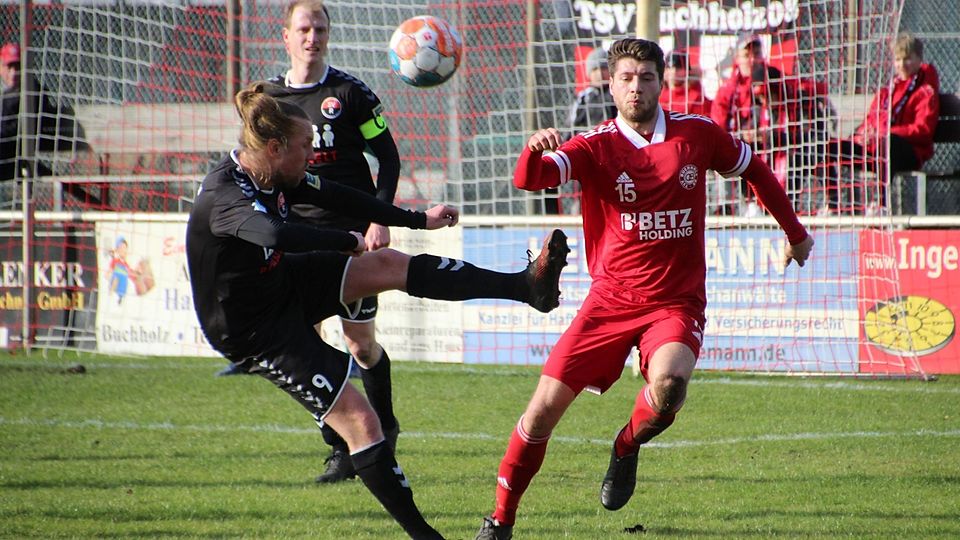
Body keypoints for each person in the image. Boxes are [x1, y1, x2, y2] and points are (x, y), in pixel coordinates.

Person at [187, 82, 568, 540]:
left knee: (384, 262)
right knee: (361, 422)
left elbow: (342, 198)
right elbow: (273, 234)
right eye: (307, 146)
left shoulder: (278, 171)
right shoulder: (224, 194)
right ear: (274, 148)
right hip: (253, 330)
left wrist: (414, 219)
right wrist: (343, 241)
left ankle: (526, 288)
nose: (313, 154)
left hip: (282, 283)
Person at [473, 38, 813, 540]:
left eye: (647, 77)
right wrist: (531, 148)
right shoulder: (594, 145)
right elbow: (532, 179)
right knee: (541, 411)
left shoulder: (697, 135)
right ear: (610, 84)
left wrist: (795, 231)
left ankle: (626, 446)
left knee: (671, 385)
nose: (637, 87)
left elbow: (754, 170)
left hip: (675, 301)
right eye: (627, 78)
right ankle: (500, 520)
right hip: (609, 303)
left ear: (662, 81)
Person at [219, 0, 401, 486]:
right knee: (304, 342)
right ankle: (341, 447)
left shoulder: (351, 94)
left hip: (351, 239)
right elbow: (252, 169)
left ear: (328, 34)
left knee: (361, 346)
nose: (312, 37)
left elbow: (387, 157)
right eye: (303, 28)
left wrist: (376, 219)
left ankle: (385, 427)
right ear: (286, 35)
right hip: (295, 238)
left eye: (319, 28)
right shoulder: (271, 103)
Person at [821, 32, 939, 214]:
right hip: (875, 148)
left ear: (918, 59)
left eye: (907, 58)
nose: (902, 65)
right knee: (828, 147)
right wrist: (861, 136)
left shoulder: (925, 90)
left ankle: (882, 205)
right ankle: (833, 204)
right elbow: (871, 120)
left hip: (908, 151)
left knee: (888, 143)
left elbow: (923, 129)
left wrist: (887, 133)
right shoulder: (887, 91)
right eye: (898, 59)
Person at [0, 42, 96, 202]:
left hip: (18, 158)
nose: (14, 72)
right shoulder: (7, 93)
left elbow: (24, 129)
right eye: (9, 67)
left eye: (18, 67)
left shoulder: (33, 92)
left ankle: (99, 207)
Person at [549, 46, 619, 215]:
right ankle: (578, 212)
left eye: (603, 68)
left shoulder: (616, 96)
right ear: (588, 73)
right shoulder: (583, 99)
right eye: (594, 69)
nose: (599, 73)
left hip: (612, 153)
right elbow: (571, 127)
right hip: (586, 154)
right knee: (583, 190)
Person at [658, 49, 711, 116]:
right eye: (670, 67)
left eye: (679, 68)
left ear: (687, 71)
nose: (674, 72)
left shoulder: (695, 97)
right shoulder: (658, 94)